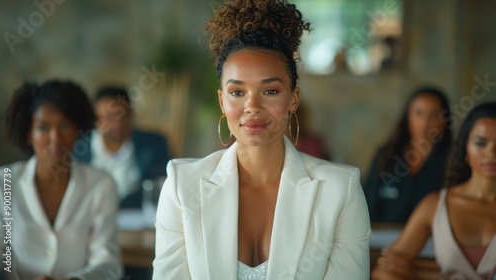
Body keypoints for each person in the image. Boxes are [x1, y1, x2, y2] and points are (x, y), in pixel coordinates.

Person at [152, 0, 371, 279]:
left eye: (270, 91)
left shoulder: (340, 189)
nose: (252, 106)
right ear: (221, 101)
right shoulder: (182, 186)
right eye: (237, 92)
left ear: (294, 99)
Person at [0, 80, 122, 280]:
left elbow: (108, 264)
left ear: (78, 130)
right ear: (28, 134)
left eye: (65, 125)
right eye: (43, 127)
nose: (55, 138)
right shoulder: (3, 183)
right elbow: (0, 260)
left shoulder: (101, 185)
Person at [371, 102, 496, 280]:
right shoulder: (436, 205)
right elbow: (383, 270)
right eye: (481, 143)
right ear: (466, 148)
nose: (491, 152)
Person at [363, 86, 453, 224]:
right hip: (379, 239)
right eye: (418, 113)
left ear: (445, 121)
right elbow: (367, 203)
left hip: (432, 242)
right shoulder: (387, 156)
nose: (425, 122)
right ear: (408, 116)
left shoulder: (452, 161)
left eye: (434, 115)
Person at [74, 86, 172, 209]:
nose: (118, 124)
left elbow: (165, 187)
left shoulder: (154, 145)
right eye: (109, 117)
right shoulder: (77, 147)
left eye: (123, 116)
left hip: (140, 221)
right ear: (95, 119)